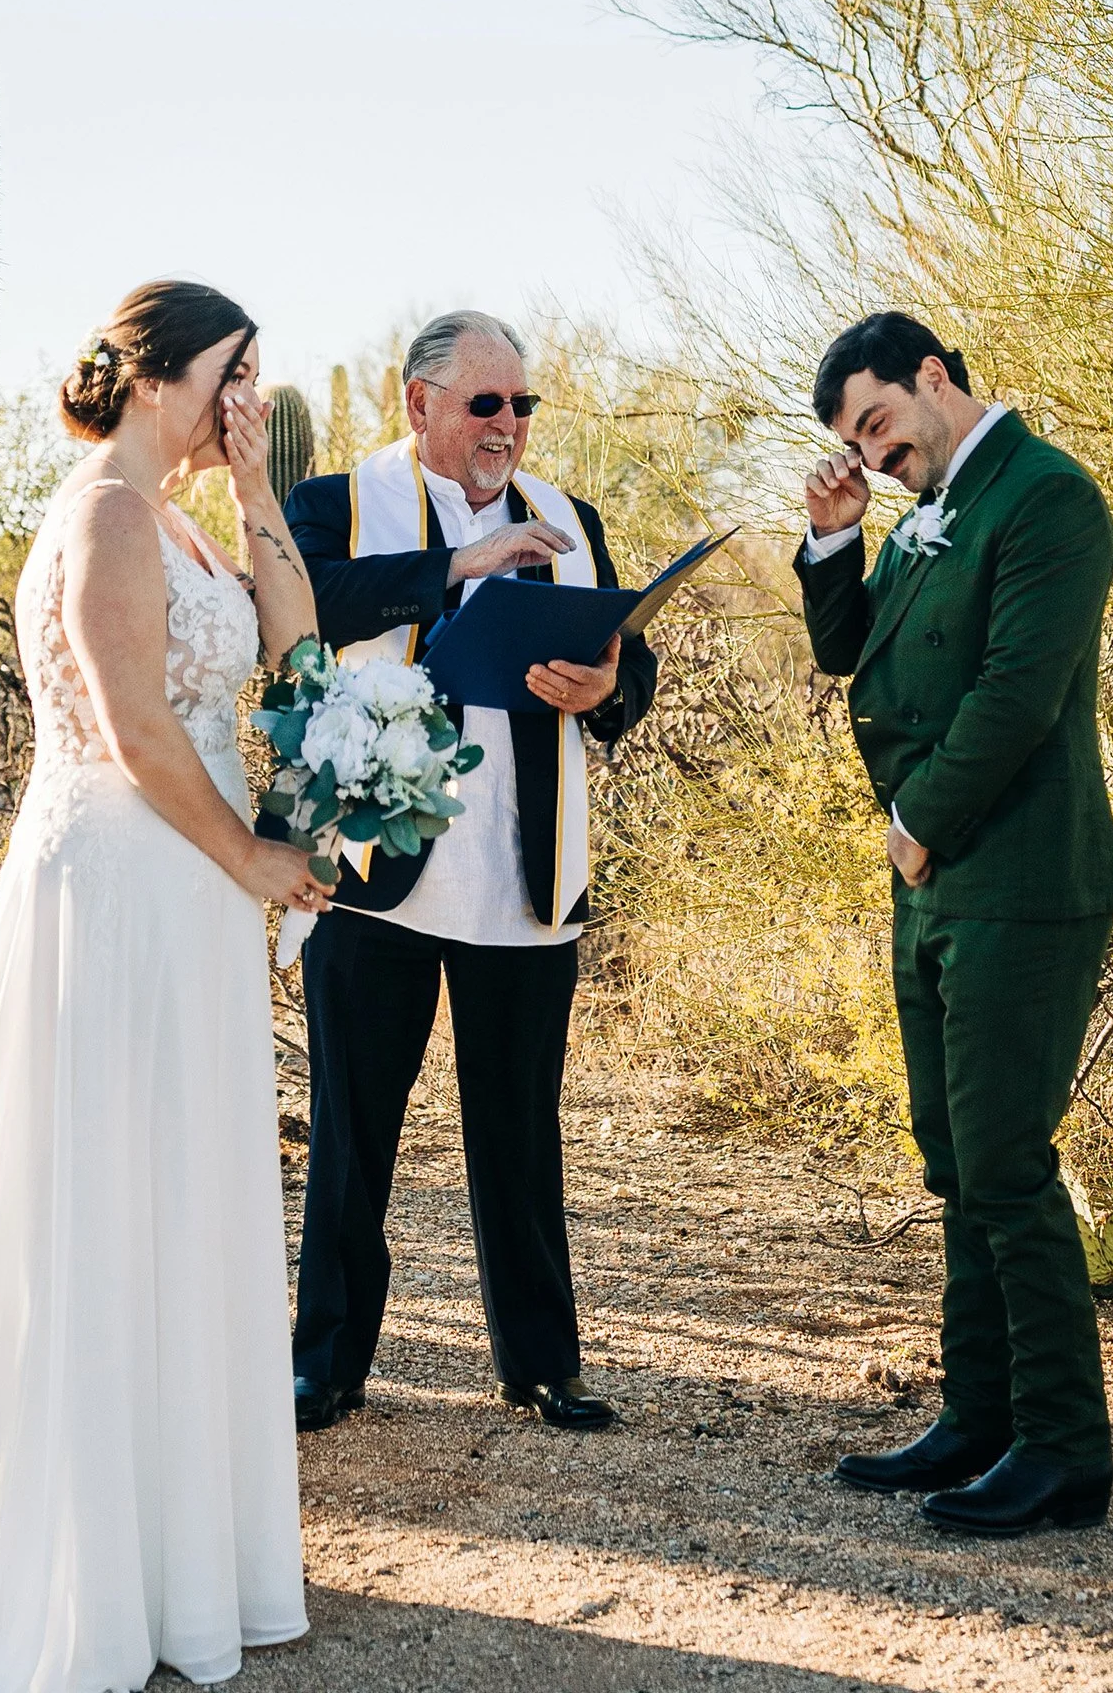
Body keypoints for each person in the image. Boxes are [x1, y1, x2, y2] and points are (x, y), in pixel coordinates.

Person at [0, 280, 331, 1688]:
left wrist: (256, 485)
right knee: (105, 1191)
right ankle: (81, 1565)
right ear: (169, 367)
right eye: (238, 373)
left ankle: (174, 1552)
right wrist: (249, 852)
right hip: (127, 879)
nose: (251, 393)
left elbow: (294, 650)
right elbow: (128, 724)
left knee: (177, 1190)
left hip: (185, 884)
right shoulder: (107, 513)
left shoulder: (183, 510)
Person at [282, 310, 657, 1433]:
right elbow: (304, 605)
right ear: (419, 405)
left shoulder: (570, 520)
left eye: (523, 404)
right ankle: (329, 1362)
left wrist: (610, 689)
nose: (509, 425)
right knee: (355, 1129)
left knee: (518, 1122)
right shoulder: (338, 503)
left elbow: (625, 656)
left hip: (523, 867)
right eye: (486, 403)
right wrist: (458, 564)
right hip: (376, 865)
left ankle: (541, 1362)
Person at [795, 310, 1113, 1538]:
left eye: (879, 423)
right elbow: (852, 658)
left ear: (934, 378)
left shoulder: (1046, 497)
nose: (875, 456)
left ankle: (1062, 1446)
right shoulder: (926, 511)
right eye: (855, 443)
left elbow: (1018, 692)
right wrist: (836, 544)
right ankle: (978, 1413)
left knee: (1006, 1162)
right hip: (933, 879)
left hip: (1022, 878)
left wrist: (915, 819)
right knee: (953, 1157)